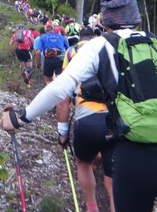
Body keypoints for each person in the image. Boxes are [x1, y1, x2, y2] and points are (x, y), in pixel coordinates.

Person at [2, 0, 157, 212]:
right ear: (138, 20)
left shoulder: (98, 46)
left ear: (103, 24)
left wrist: (20, 117)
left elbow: (60, 88)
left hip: (134, 156)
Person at [56, 26, 115, 212]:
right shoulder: (112, 49)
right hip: (115, 121)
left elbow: (63, 99)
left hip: (88, 119)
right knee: (114, 181)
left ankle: (92, 207)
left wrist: (63, 134)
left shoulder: (73, 51)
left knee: (83, 162)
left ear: (80, 36)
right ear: (95, 35)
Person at [34, 20, 69, 85]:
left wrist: (38, 63)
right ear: (53, 29)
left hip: (48, 59)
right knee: (60, 77)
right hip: (60, 59)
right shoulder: (61, 37)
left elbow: (38, 52)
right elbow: (69, 49)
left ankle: (52, 92)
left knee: (48, 79)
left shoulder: (42, 38)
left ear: (45, 30)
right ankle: (60, 91)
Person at [9, 24, 35, 88]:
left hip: (18, 50)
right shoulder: (29, 32)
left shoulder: (15, 34)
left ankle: (27, 83)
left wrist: (13, 52)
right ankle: (28, 83)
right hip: (26, 50)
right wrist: (34, 49)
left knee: (24, 67)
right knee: (29, 68)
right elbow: (33, 42)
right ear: (24, 27)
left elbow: (10, 44)